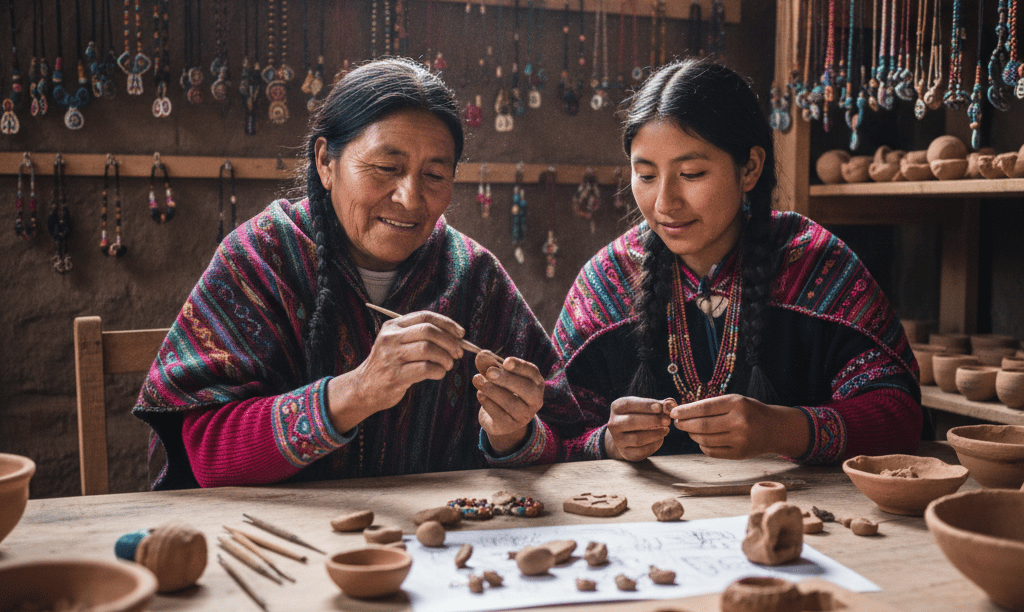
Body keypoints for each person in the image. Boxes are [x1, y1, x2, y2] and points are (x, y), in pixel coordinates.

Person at [134, 58, 594, 490]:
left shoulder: (472, 277)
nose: (410, 198)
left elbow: (561, 441)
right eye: (386, 168)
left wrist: (512, 434)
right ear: (325, 163)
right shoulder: (262, 258)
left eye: (435, 175)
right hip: (279, 548)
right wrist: (361, 389)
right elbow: (207, 454)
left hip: (436, 549)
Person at [552, 58, 923, 465]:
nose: (664, 203)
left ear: (750, 168)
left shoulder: (814, 262)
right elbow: (552, 433)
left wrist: (784, 429)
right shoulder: (608, 282)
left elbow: (900, 416)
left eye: (691, 173)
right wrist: (608, 441)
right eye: (646, 175)